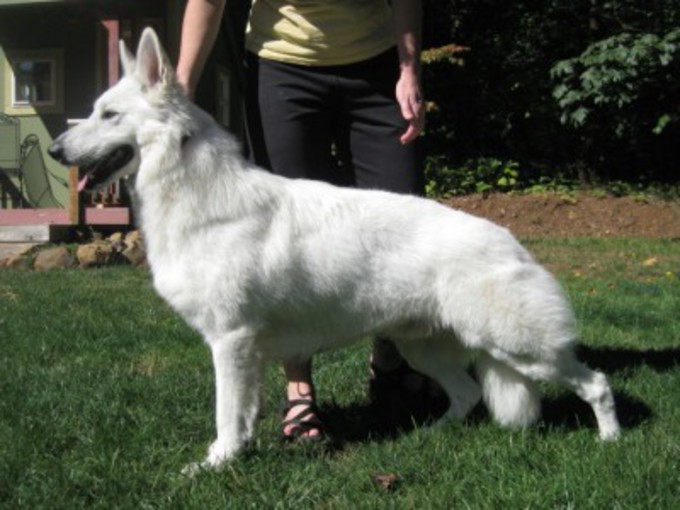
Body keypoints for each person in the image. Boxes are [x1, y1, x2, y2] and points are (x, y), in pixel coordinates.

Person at [177, 0, 427, 441]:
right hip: (281, 68)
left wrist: (409, 69)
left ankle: (390, 359)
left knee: (400, 217)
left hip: (375, 64)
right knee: (286, 235)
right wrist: (182, 83)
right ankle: (299, 390)